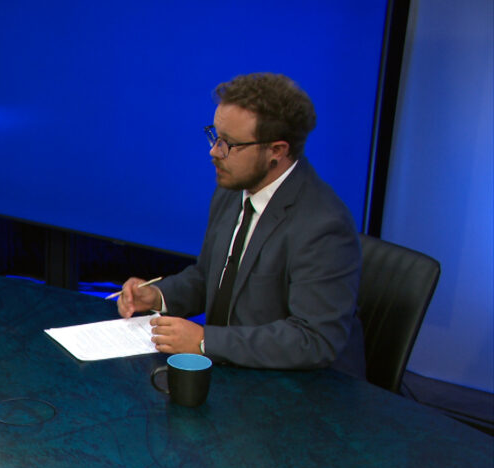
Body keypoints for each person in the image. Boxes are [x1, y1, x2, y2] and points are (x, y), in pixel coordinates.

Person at [117, 73, 365, 376]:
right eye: (215, 136)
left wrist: (206, 340)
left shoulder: (323, 225)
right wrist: (159, 296)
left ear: (277, 151)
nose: (214, 152)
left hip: (300, 392)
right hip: (233, 371)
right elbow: (210, 277)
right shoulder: (233, 189)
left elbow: (313, 339)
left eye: (229, 144)